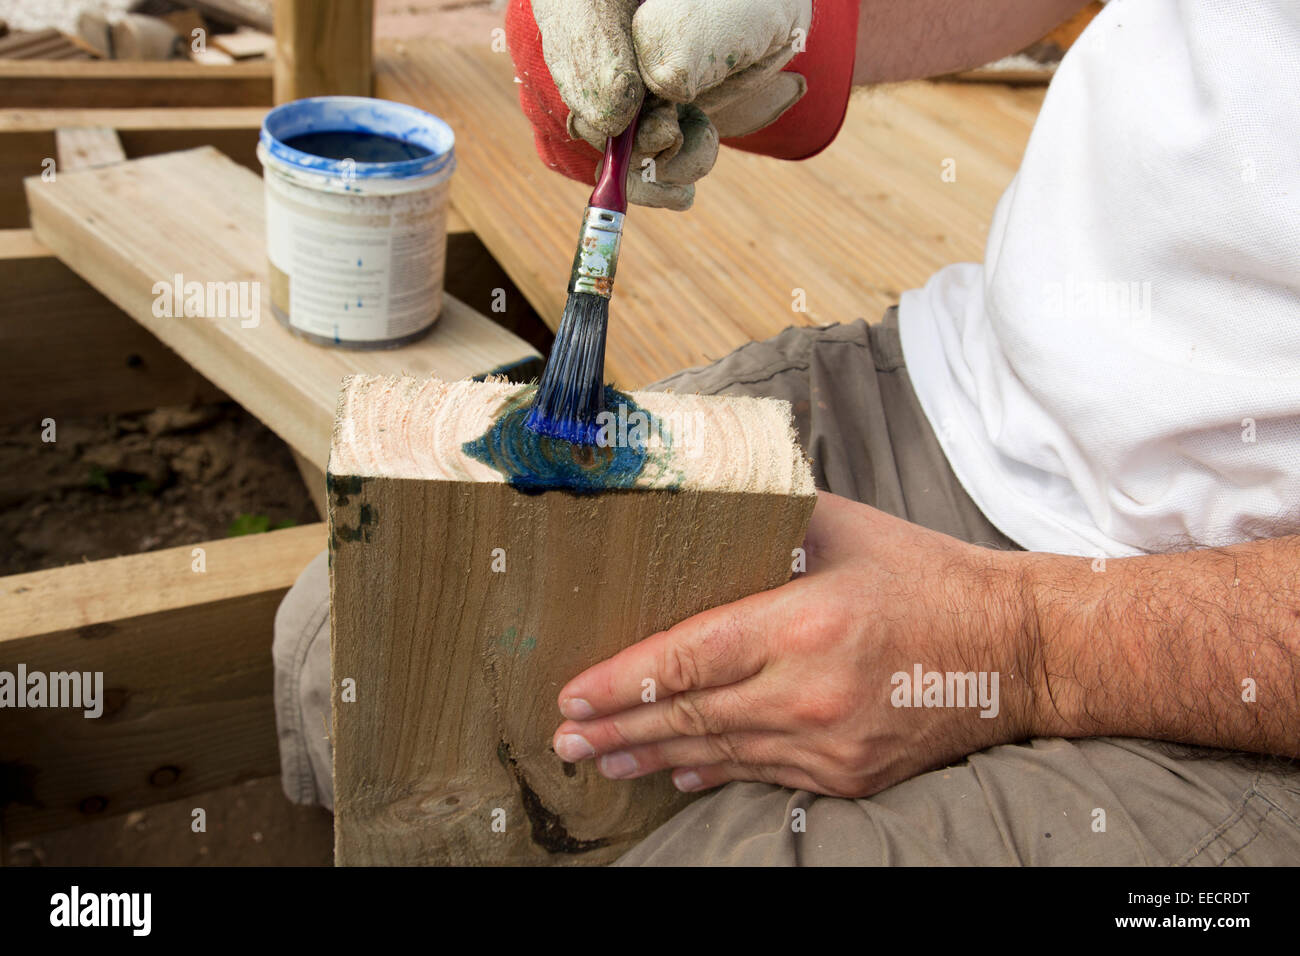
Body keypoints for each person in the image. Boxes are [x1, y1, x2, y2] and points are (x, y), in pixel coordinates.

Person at [273, 0, 1300, 865]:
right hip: (964, 387)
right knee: (361, 640)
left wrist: (1018, 646)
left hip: (1218, 648)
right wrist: (796, 22)